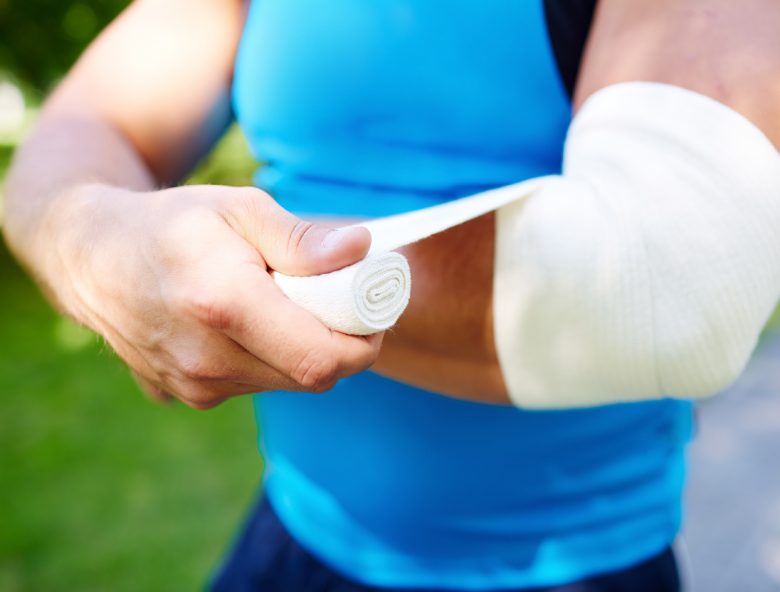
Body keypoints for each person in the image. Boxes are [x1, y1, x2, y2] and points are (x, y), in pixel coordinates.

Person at [5, 1, 780, 590]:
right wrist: (96, 244)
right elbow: (84, 131)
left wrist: (212, 273)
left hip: (565, 563)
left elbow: (670, 282)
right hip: (297, 531)